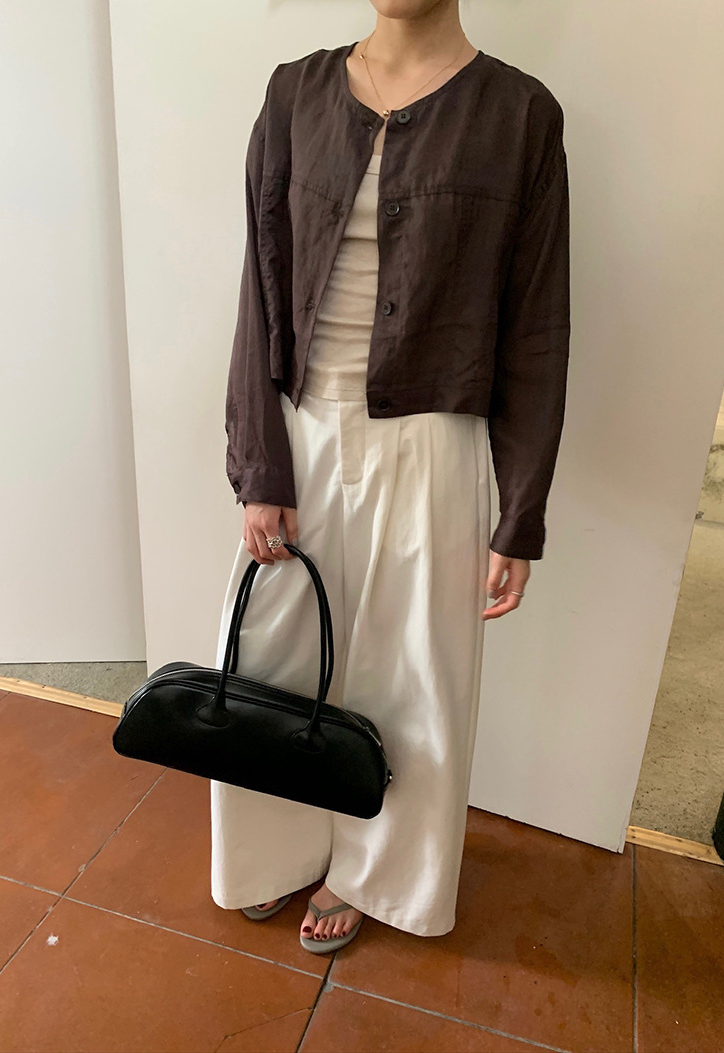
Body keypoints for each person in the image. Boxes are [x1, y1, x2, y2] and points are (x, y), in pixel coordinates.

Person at [211, 0, 570, 953]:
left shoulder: (520, 116)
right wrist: (260, 464)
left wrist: (520, 511)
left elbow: (537, 328)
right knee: (272, 657)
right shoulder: (295, 93)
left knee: (413, 677)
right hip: (302, 429)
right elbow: (258, 287)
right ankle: (272, 845)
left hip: (434, 441)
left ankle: (376, 872)